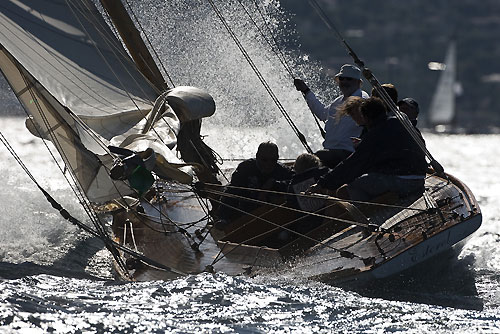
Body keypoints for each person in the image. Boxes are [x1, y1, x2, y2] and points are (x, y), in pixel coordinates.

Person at [308, 97, 428, 201]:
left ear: (366, 117)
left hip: (404, 182)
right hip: (420, 179)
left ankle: (368, 218)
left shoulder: (376, 133)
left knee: (350, 188)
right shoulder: (400, 122)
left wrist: (323, 184)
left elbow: (353, 163)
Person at [294, 64, 369, 168]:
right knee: (306, 162)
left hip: (347, 153)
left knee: (309, 162)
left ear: (358, 82)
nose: (344, 82)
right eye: (342, 79)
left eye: (349, 79)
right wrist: (306, 91)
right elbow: (322, 114)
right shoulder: (338, 101)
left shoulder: (362, 99)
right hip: (331, 151)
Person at [217, 142, 294, 220]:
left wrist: (273, 184)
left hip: (274, 215)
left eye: (273, 160)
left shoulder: (283, 171)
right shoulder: (245, 168)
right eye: (264, 160)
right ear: (257, 156)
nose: (268, 164)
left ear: (277, 158)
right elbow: (232, 192)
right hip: (246, 215)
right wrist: (224, 219)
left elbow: (295, 183)